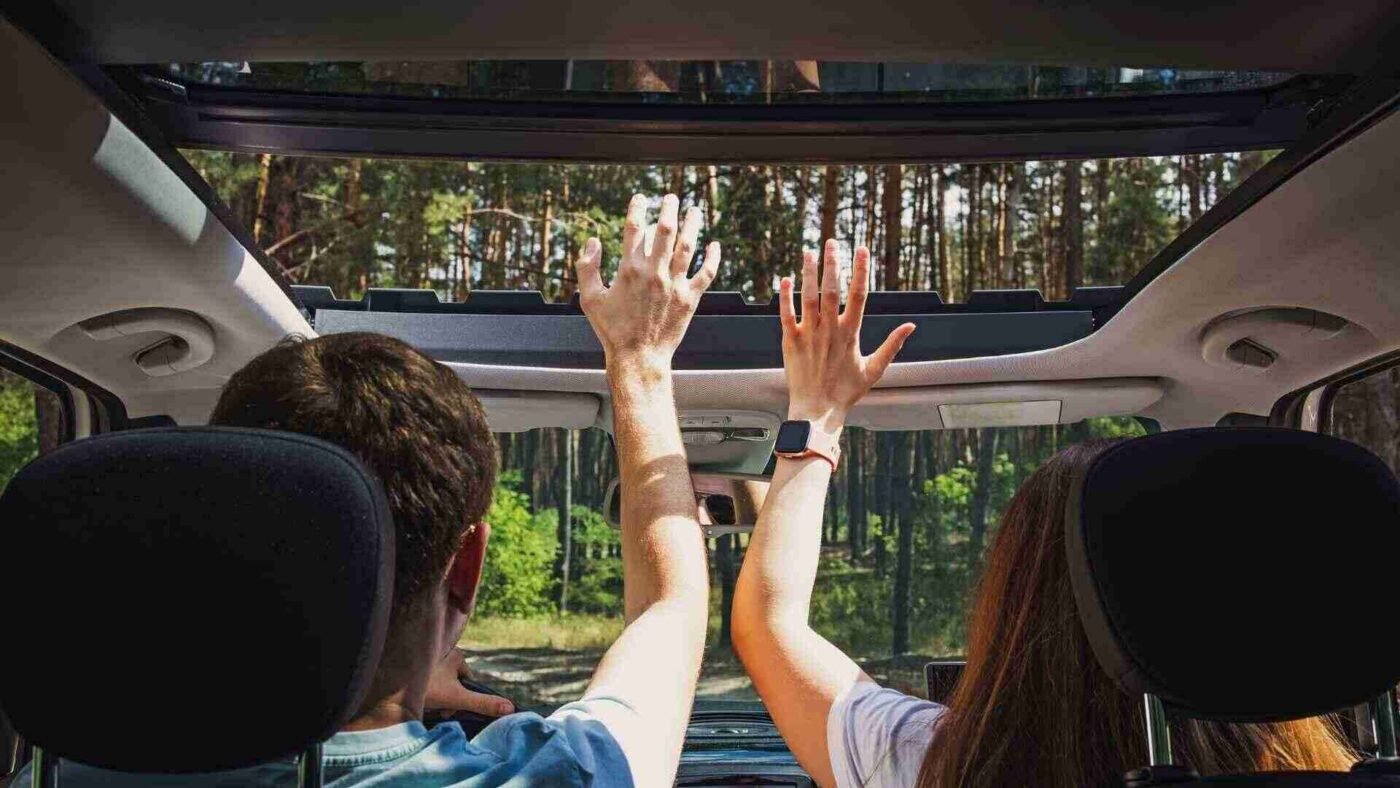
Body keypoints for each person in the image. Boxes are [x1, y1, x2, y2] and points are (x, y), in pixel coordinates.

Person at [17, 194, 718, 787]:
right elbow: (670, 605)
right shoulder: (558, 775)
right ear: (466, 569)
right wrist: (639, 361)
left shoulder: (45, 777)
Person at [730, 240, 1358, 787]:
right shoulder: (1334, 765)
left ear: (1018, 594)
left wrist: (818, 412)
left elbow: (767, 624)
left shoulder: (929, 762)